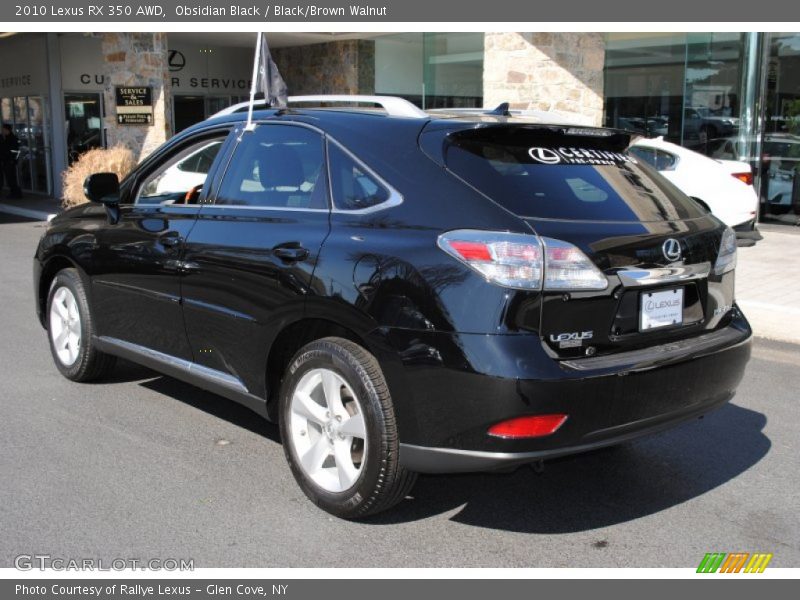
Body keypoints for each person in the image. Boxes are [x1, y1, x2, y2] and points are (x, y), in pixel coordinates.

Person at [0, 124, 22, 198]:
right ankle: (14, 193)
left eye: (3, 129)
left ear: (7, 130)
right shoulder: (6, 138)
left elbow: (14, 151)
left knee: (11, 178)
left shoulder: (12, 139)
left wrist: (12, 160)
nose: (2, 131)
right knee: (10, 178)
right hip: (7, 161)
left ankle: (16, 193)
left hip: (9, 161)